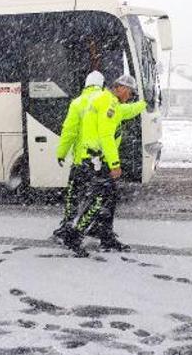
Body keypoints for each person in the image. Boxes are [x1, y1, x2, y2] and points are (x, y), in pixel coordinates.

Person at [60, 74, 146, 256]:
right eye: (129, 93)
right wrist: (115, 164)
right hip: (97, 160)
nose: (129, 97)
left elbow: (126, 111)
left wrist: (145, 104)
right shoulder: (107, 103)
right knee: (99, 199)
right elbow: (106, 136)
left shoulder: (107, 101)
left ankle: (105, 236)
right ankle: (74, 235)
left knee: (109, 198)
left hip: (96, 159)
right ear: (121, 88)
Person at [51, 70, 105, 243]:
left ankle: (68, 226)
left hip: (80, 161)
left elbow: (69, 131)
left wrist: (61, 153)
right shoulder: (106, 101)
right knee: (96, 197)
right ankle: (92, 225)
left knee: (73, 195)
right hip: (98, 160)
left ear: (86, 84)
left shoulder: (78, 103)